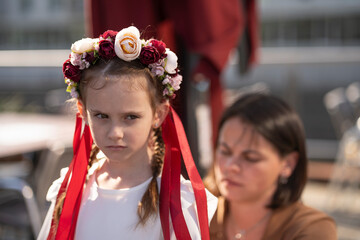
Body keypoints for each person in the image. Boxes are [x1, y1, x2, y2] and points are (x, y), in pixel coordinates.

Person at [37, 26, 217, 240]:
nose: (115, 133)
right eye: (102, 116)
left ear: (159, 114)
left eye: (130, 117)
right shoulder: (71, 190)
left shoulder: (178, 203)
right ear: (82, 112)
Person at [204, 93, 337, 240]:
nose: (231, 166)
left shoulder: (311, 228)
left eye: (250, 158)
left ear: (288, 164)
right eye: (224, 151)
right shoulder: (194, 212)